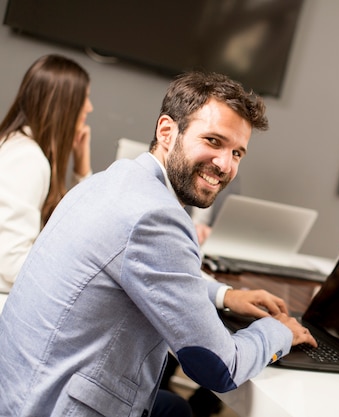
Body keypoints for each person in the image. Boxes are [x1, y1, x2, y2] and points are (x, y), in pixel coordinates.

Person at [0, 71, 317, 415]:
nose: (225, 164)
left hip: (19, 390)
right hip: (49, 406)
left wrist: (224, 296)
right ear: (166, 132)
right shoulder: (156, 217)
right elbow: (220, 368)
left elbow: (145, 269)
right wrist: (279, 331)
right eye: (213, 141)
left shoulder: (114, 180)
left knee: (175, 409)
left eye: (237, 153)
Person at [0, 54, 93, 292]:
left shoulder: (16, 145)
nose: (90, 108)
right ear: (65, 105)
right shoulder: (28, 159)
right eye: (85, 98)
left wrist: (81, 168)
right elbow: (10, 260)